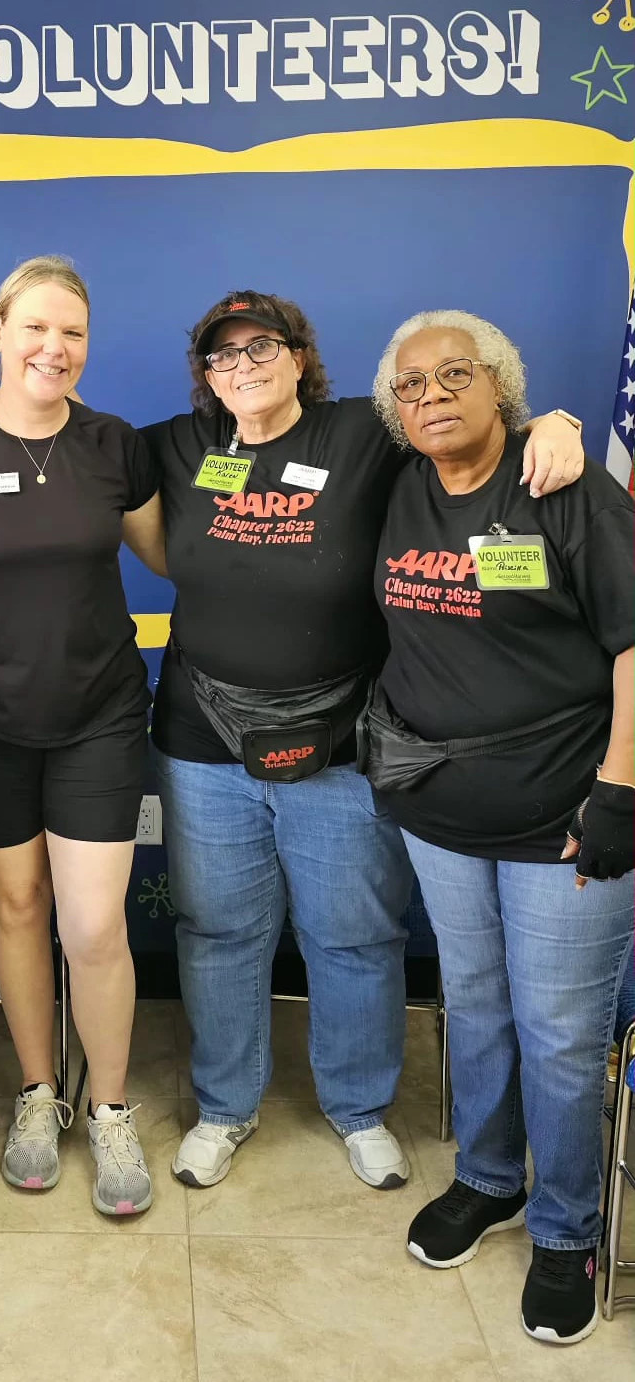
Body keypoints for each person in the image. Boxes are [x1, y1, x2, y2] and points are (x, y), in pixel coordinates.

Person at [140, 290, 585, 1194]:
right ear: (205, 375)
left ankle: (357, 1108)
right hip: (202, 738)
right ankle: (226, 1107)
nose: (245, 366)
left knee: (351, 935)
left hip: (339, 738)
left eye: (263, 347)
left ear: (299, 356)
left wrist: (554, 422)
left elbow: (455, 424)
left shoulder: (361, 434)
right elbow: (69, 450)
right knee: (217, 930)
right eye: (223, 356)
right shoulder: (176, 448)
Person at [367, 308, 633, 1346]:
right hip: (438, 815)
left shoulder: (562, 483)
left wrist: (619, 787)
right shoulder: (397, 488)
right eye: (412, 385)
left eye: (453, 375)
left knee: (562, 1034)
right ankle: (488, 1177)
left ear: (501, 386)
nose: (431, 396)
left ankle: (566, 1231)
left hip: (563, 819)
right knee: (472, 1003)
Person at [0, 256, 165, 1215]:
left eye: (74, 333)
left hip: (98, 716)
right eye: (37, 328)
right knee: (15, 912)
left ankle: (107, 1106)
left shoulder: (114, 446)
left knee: (93, 927)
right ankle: (36, 1092)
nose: (55, 348)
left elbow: (176, 553)